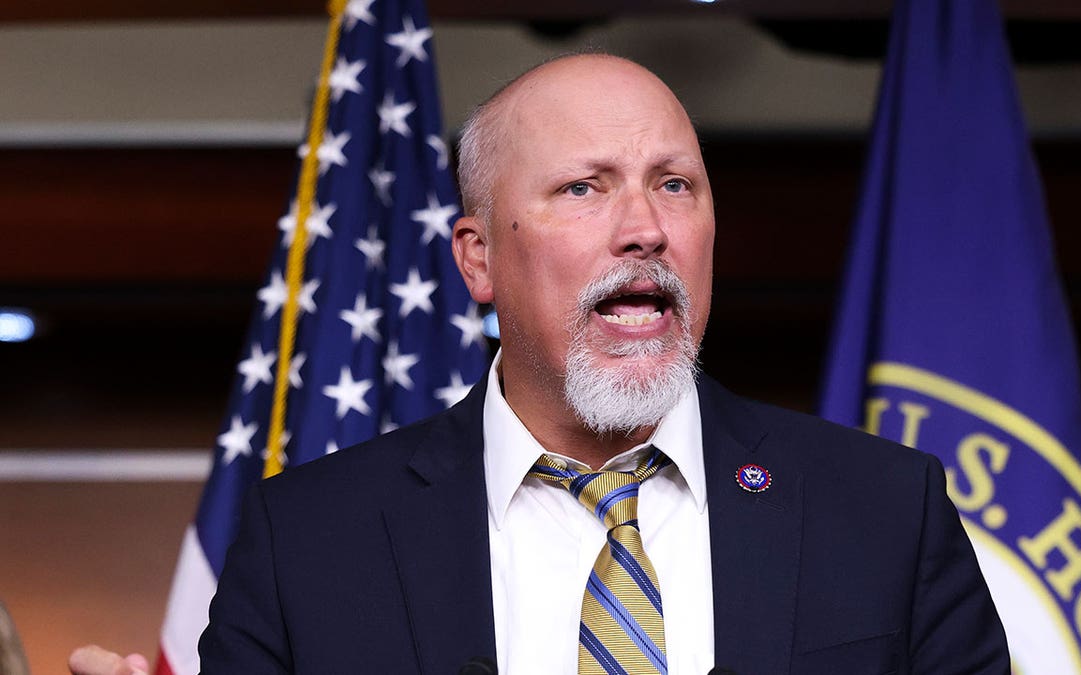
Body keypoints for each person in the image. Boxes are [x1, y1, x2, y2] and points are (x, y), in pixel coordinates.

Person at [71, 54, 1008, 674]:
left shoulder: (888, 512)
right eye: (584, 188)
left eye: (673, 184)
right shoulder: (309, 542)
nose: (644, 228)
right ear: (476, 257)